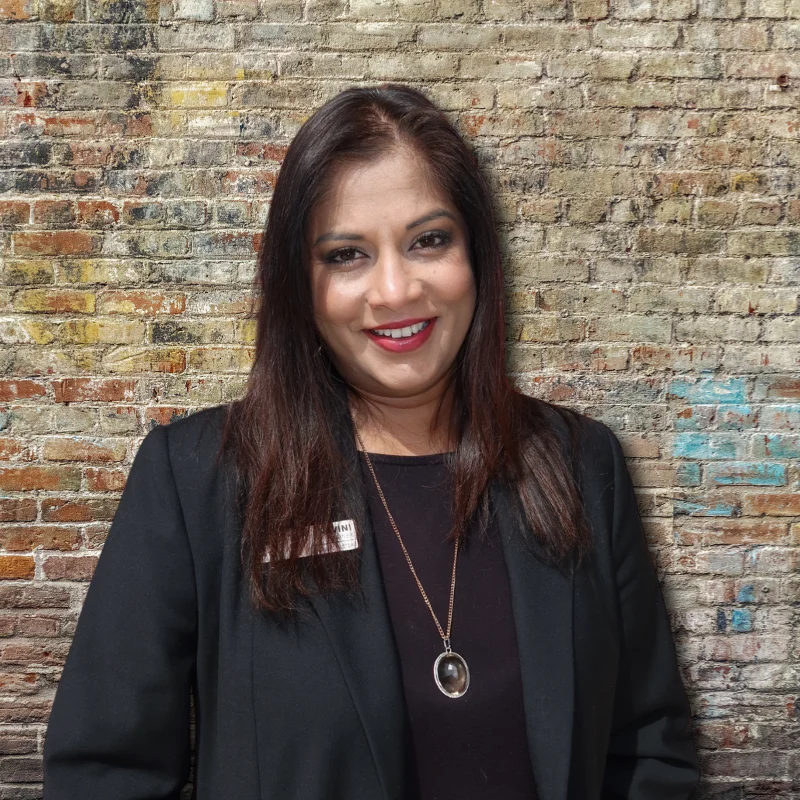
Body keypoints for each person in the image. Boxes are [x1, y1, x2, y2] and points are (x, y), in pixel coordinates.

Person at [42, 83, 700, 800]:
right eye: (347, 254)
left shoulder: (580, 465)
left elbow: (647, 752)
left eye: (429, 241)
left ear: (477, 256)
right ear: (300, 282)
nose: (394, 290)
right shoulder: (199, 481)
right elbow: (103, 776)